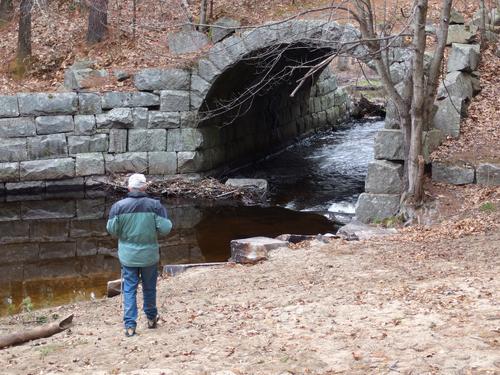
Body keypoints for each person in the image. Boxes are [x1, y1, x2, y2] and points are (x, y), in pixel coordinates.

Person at [106, 173, 172, 337]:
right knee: (149, 288)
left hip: (128, 256)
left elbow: (112, 230)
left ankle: (130, 326)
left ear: (129, 187)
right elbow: (165, 228)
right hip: (149, 255)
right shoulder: (155, 206)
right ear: (144, 187)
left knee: (129, 289)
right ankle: (151, 319)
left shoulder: (118, 207)